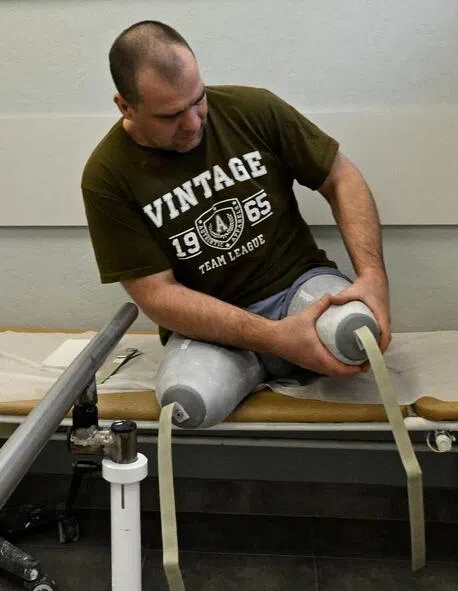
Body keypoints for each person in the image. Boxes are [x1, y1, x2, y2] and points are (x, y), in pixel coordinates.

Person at [81, 21, 390, 424]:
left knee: (356, 335)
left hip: (298, 289)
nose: (193, 123)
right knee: (184, 406)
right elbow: (156, 294)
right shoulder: (106, 176)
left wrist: (373, 277)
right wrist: (274, 338)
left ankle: (277, 359)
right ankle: (264, 362)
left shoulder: (253, 109)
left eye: (198, 100)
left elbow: (340, 177)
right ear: (125, 106)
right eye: (170, 115)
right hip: (211, 329)